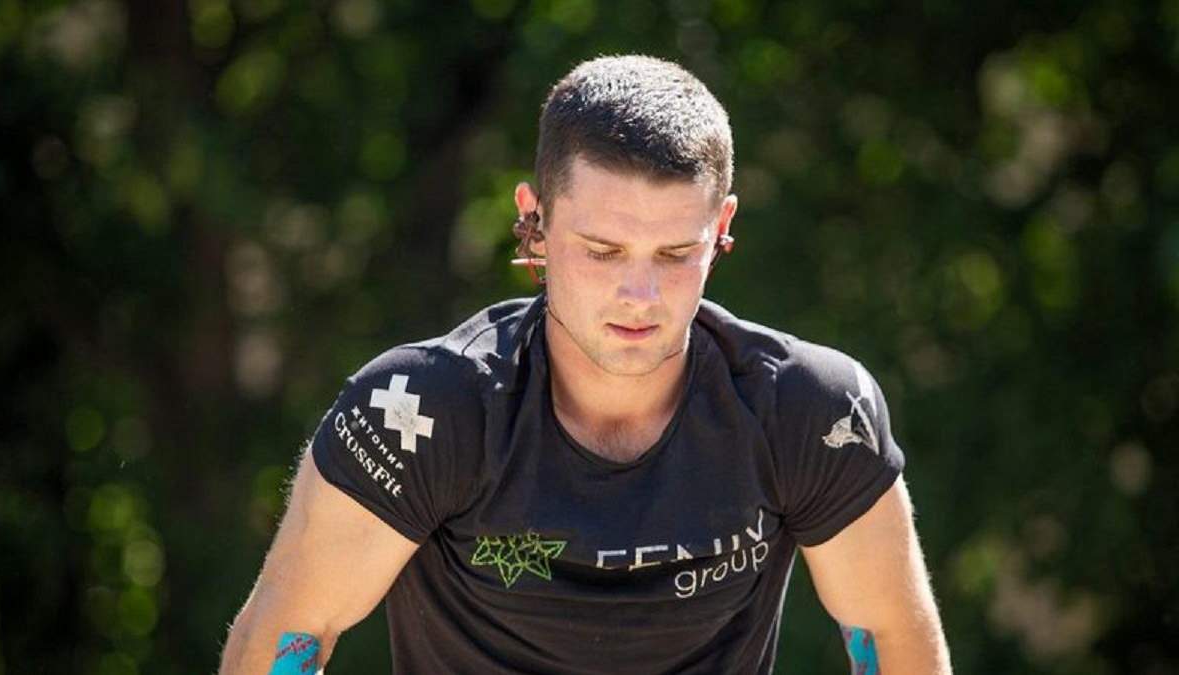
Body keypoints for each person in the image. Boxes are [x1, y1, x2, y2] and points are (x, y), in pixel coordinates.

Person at [218, 55, 951, 674]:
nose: (641, 295)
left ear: (722, 226)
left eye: (675, 253)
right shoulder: (419, 412)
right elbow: (285, 637)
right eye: (603, 251)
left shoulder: (808, 409)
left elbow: (894, 639)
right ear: (535, 220)